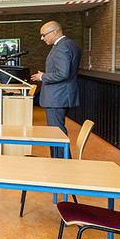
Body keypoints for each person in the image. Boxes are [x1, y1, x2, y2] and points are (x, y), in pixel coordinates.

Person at [31, 20, 82, 158]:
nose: (42, 38)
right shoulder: (70, 44)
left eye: (44, 35)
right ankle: (60, 160)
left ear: (54, 32)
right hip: (63, 94)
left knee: (56, 133)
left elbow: (62, 73)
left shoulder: (61, 47)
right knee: (57, 131)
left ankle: (61, 163)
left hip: (57, 96)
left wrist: (43, 77)